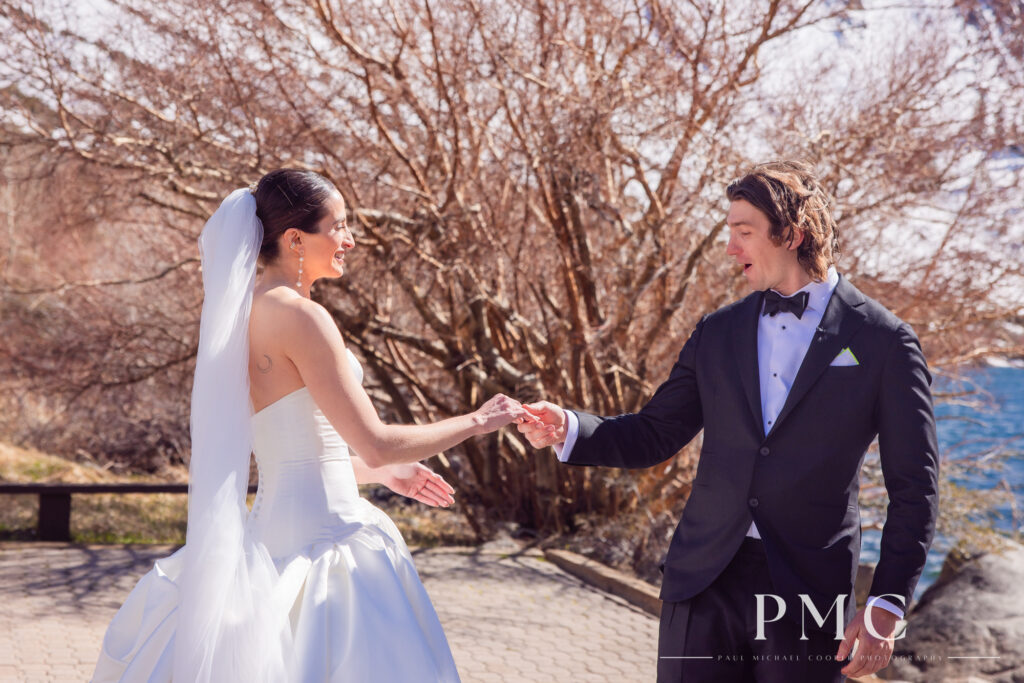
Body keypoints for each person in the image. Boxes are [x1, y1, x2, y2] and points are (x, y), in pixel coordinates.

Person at [92, 169, 527, 682]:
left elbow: (295, 452)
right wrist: (479, 420)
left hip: (268, 544)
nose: (350, 239)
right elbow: (378, 441)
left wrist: (380, 475)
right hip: (330, 545)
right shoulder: (304, 317)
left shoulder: (242, 313)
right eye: (338, 226)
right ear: (296, 238)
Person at [517, 161, 939, 682]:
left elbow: (914, 486)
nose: (730, 247)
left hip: (807, 596)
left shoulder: (884, 340)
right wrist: (569, 427)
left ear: (791, 235)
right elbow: (655, 434)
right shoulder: (717, 332)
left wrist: (885, 606)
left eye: (744, 232)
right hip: (703, 580)